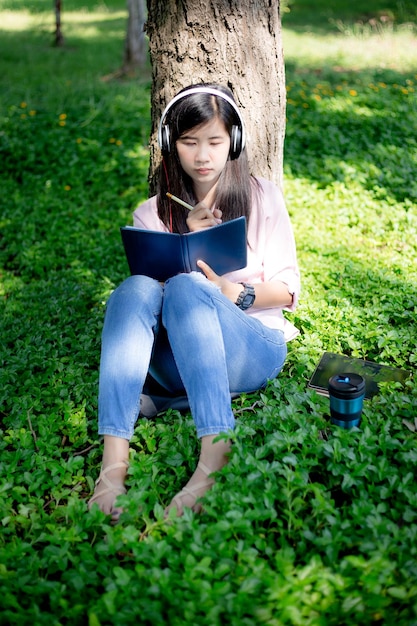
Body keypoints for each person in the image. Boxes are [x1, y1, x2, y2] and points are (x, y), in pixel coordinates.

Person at [88, 83, 300, 521]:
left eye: (215, 142)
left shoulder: (262, 198)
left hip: (253, 344)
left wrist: (235, 293)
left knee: (187, 287)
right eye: (189, 142)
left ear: (233, 143)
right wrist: (184, 236)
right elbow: (143, 313)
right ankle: (113, 466)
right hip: (182, 355)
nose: (203, 155)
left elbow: (289, 290)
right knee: (132, 289)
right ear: (171, 144)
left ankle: (214, 455)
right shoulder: (150, 213)